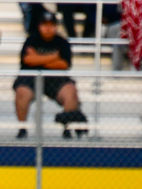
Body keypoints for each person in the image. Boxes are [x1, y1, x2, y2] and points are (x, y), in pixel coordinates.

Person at [13, 11, 88, 139]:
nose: (48, 28)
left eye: (51, 25)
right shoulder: (31, 40)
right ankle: (22, 129)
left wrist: (37, 58)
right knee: (22, 92)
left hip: (56, 78)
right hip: (30, 77)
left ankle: (67, 128)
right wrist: (53, 56)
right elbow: (27, 60)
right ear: (39, 26)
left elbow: (64, 65)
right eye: (45, 25)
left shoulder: (62, 42)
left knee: (71, 91)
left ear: (56, 26)